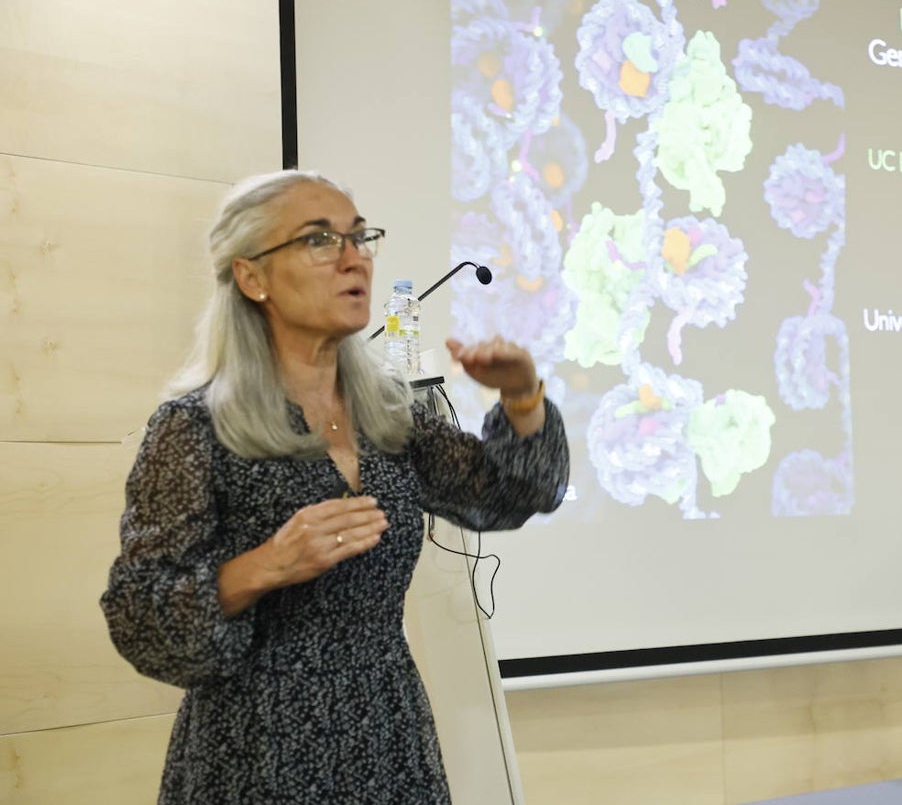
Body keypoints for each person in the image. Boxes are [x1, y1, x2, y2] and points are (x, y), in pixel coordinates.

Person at [100, 170, 569, 803]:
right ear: (251, 276)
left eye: (360, 236)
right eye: (320, 240)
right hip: (256, 749)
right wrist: (265, 566)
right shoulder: (194, 428)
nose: (354, 258)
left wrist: (521, 394)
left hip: (387, 733)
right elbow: (141, 616)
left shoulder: (391, 418)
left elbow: (510, 494)